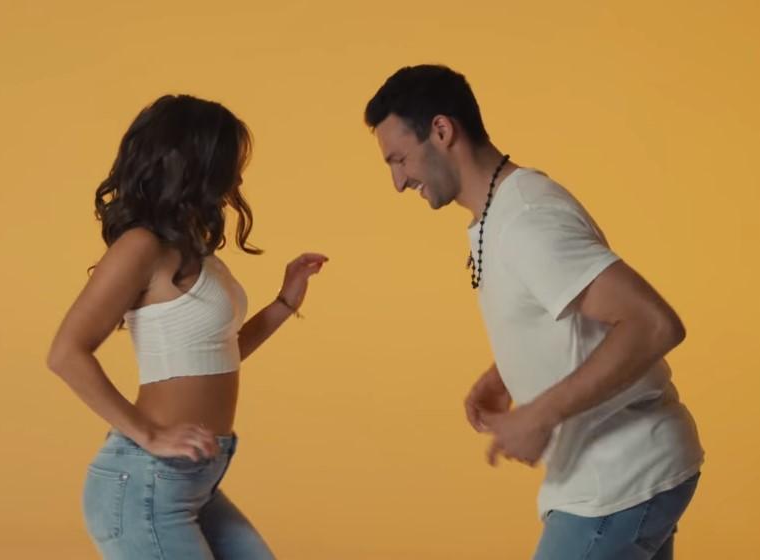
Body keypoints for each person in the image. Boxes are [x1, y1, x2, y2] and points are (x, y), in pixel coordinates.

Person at [363, 65, 703, 559]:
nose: (398, 182)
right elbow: (565, 311)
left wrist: (540, 414)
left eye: (399, 159)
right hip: (631, 472)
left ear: (441, 130)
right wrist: (505, 373)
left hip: (616, 479)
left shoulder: (526, 221)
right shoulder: (498, 214)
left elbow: (652, 324)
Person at [47, 94, 327, 559]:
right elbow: (65, 353)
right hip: (145, 485)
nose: (238, 175)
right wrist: (149, 434)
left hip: (193, 481)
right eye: (229, 161)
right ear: (194, 163)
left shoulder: (193, 247)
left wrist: (284, 303)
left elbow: (217, 353)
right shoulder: (140, 246)